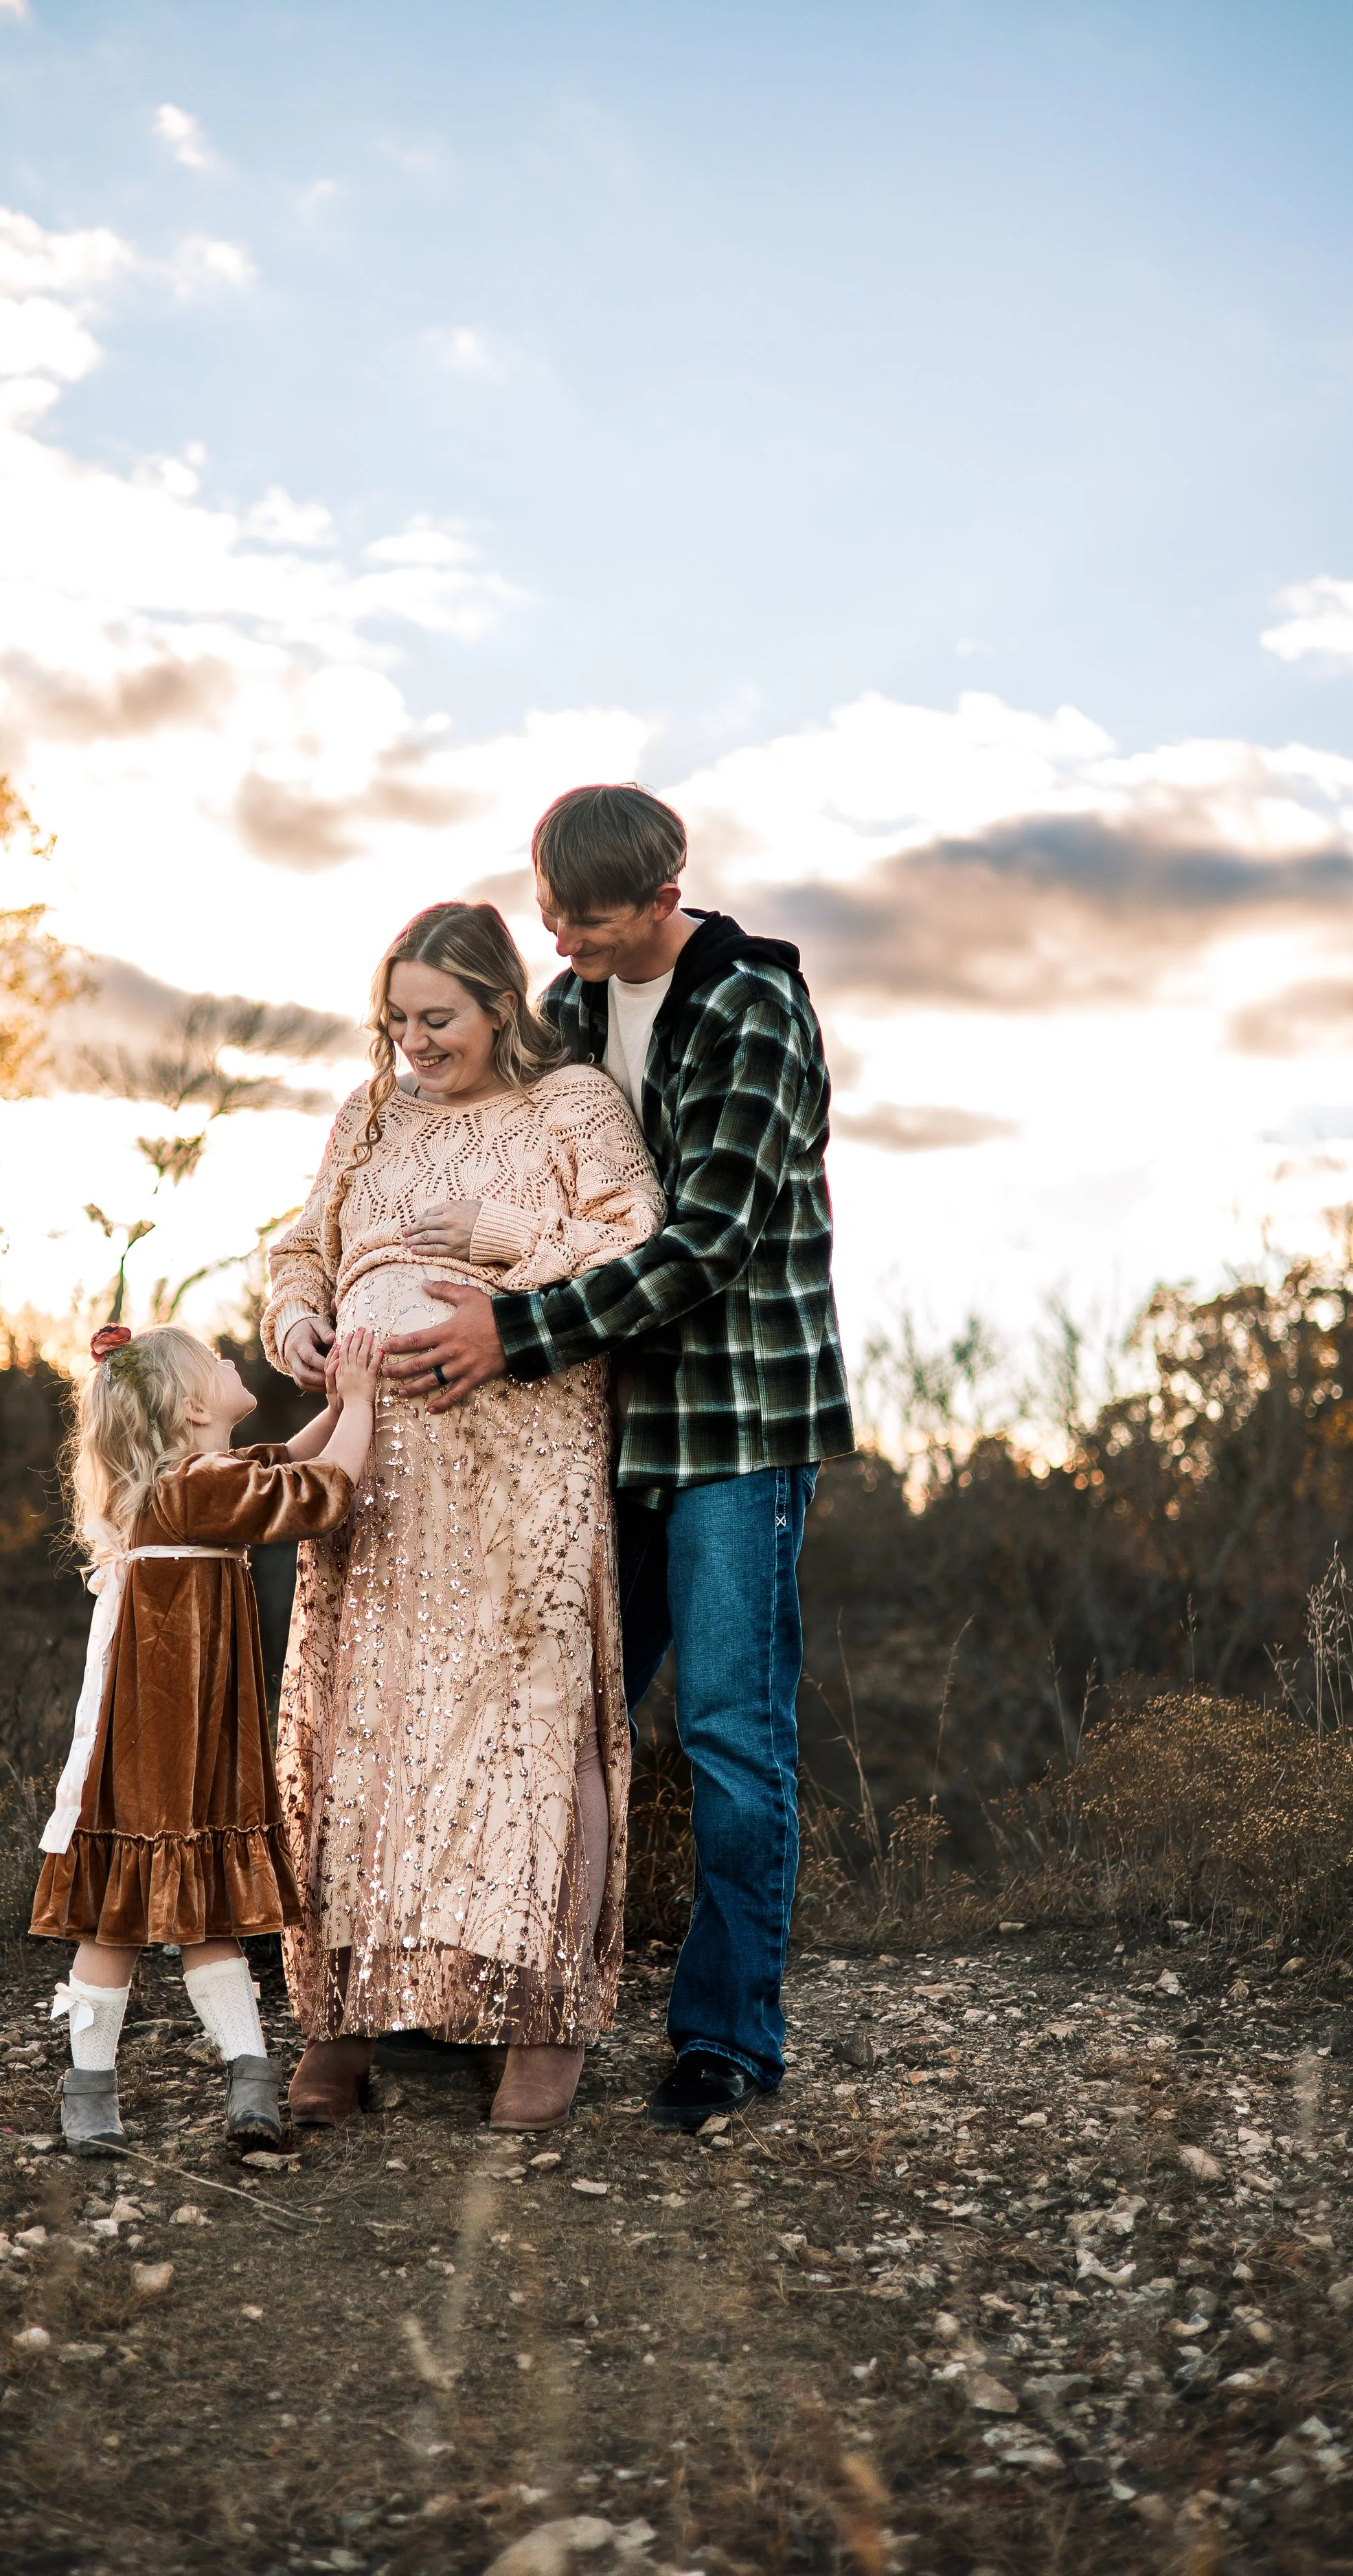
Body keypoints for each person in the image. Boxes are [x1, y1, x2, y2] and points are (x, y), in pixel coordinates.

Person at [386, 786, 854, 2132]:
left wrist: (517, 1332)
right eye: (549, 920)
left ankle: (724, 2040)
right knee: (546, 1720)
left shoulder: (750, 1007)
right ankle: (491, 1999)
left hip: (733, 1423)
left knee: (723, 1733)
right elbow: (490, 1160)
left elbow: (707, 1246)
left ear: (663, 897)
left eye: (587, 924)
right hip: (601, 1422)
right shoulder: (575, 1013)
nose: (563, 945)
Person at [263, 901, 663, 2132]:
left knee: (527, 1711)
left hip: (523, 1453)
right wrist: (298, 1323)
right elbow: (300, 1246)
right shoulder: (370, 1114)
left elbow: (637, 1239)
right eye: (395, 1021)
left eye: (437, 1019)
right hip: (375, 1466)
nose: (413, 1043)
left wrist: (505, 1238)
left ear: (502, 1005)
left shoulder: (574, 1104)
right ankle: (345, 2015)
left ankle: (539, 2024)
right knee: (367, 1718)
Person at [30, 1318, 382, 2155]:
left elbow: (279, 1465)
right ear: (194, 1407)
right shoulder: (194, 1491)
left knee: (178, 1922)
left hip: (172, 1748)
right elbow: (320, 1493)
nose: (234, 1361)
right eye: (218, 1362)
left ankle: (242, 2087)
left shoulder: (193, 1483)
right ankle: (100, 2094)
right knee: (126, 1926)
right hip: (165, 1751)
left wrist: (332, 1407)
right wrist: (362, 1404)